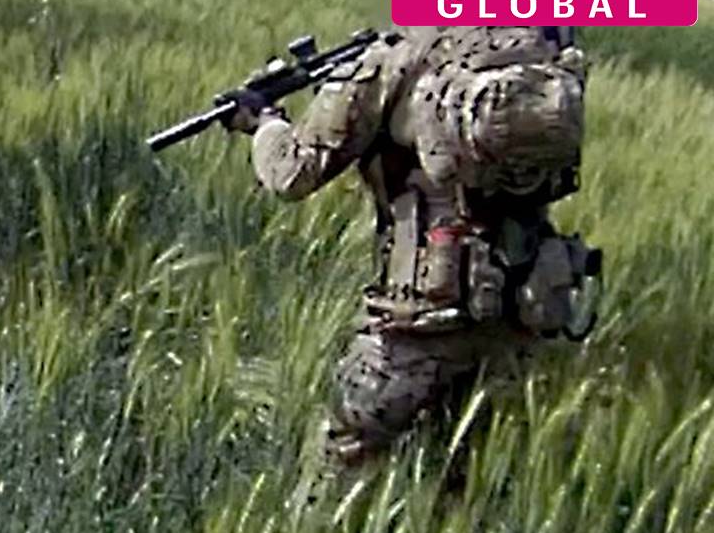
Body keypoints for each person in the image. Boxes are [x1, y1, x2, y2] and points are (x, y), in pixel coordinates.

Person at [221, 26, 600, 466]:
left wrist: (265, 123)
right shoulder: (550, 58)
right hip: (523, 310)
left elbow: (292, 173)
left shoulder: (396, 61)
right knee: (469, 473)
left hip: (418, 322)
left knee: (338, 468)